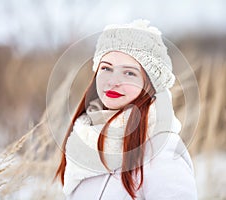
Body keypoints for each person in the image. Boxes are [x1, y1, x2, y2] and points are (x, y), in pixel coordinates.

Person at [55, 19, 197, 199]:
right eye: (106, 68)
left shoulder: (161, 150)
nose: (113, 81)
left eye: (129, 73)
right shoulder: (84, 137)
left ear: (150, 85)